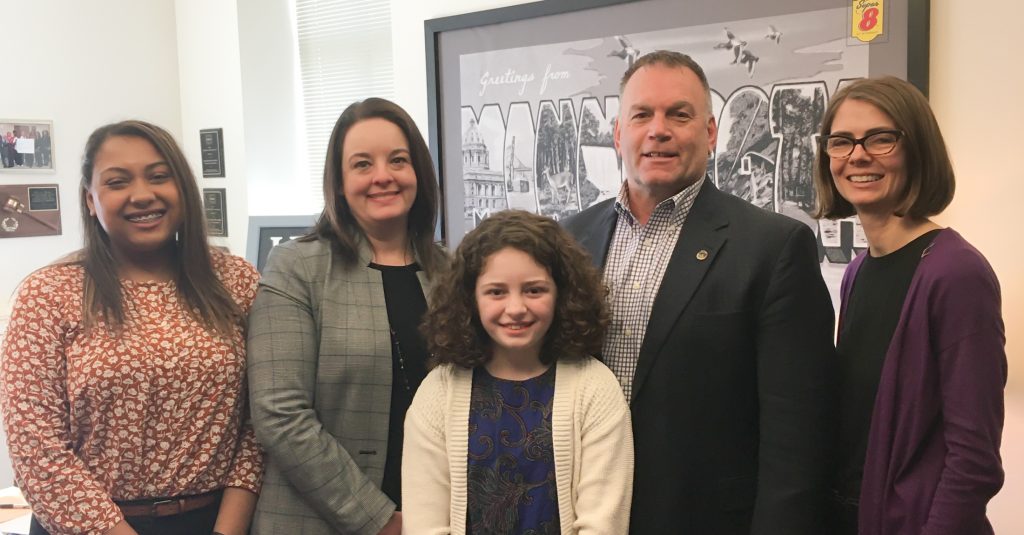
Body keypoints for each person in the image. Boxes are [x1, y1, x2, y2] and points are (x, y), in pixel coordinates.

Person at [562, 50, 836, 534]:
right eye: (642, 114)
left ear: (710, 133)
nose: (659, 129)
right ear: (618, 134)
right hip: (583, 513)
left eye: (679, 114)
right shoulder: (567, 240)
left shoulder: (773, 248)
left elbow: (796, 438)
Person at [0, 120, 264, 535]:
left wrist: (228, 530)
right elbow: (37, 449)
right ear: (91, 199)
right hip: (87, 526)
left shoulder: (236, 282)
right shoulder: (49, 294)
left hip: (217, 521)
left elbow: (259, 422)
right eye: (118, 181)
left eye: (160, 176)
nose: (143, 195)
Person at [813, 76, 1006, 535]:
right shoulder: (858, 271)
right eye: (841, 142)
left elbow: (973, 459)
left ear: (916, 149)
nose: (858, 155)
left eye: (881, 138)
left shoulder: (956, 274)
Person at [247, 97, 447, 535]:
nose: (383, 176)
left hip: (433, 517)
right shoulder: (296, 266)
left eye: (398, 160)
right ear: (338, 183)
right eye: (362, 164)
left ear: (418, 174)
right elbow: (279, 413)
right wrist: (377, 519)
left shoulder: (450, 272)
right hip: (317, 521)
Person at [403, 209, 633, 534]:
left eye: (534, 290)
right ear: (470, 299)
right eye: (496, 291)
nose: (515, 309)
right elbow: (425, 525)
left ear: (562, 295)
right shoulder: (438, 393)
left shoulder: (595, 388)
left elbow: (602, 524)